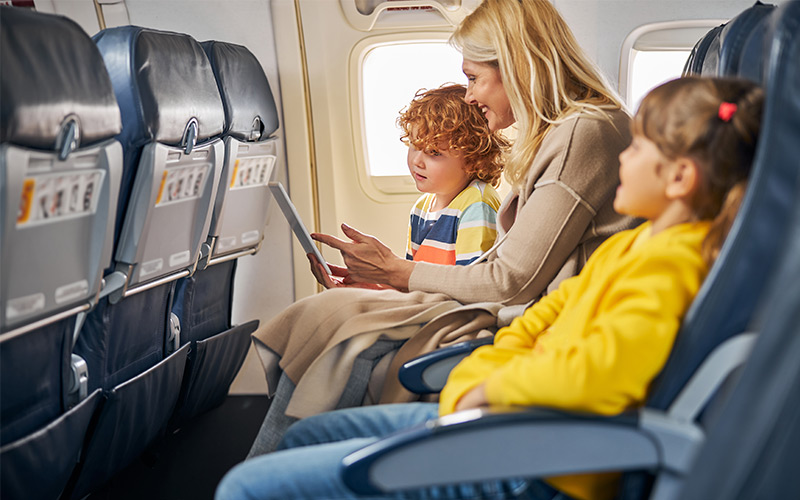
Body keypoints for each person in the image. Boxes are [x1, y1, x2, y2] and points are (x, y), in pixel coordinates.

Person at [217, 75, 765, 500]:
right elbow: (533, 327)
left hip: (538, 459)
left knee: (244, 488)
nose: (622, 156)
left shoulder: (673, 265)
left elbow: (601, 375)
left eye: (638, 148)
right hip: (511, 418)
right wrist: (479, 382)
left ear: (679, 179)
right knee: (303, 439)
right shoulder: (627, 248)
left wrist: (489, 391)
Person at [247, 0, 635, 456]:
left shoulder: (582, 133)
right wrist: (383, 277)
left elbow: (510, 281)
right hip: (517, 309)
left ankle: (283, 466)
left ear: (517, 65)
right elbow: (511, 266)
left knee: (344, 326)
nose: (469, 95)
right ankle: (290, 458)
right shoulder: (564, 134)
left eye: (474, 78)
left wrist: (398, 273)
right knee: (334, 308)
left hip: (532, 325)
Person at [399, 84, 507, 267]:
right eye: (414, 146)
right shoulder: (421, 208)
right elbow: (409, 275)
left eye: (433, 152)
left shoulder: (476, 204)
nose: (417, 161)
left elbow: (470, 281)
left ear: (473, 159)